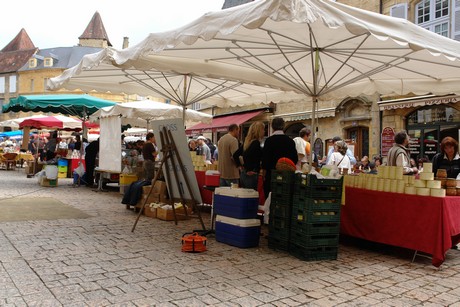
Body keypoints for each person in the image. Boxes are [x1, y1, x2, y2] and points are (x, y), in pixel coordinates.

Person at [261, 118, 298, 199]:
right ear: (283, 126)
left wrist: (263, 175)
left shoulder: (269, 141)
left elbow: (265, 161)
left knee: (271, 199)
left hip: (271, 176)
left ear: (272, 127)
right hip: (286, 176)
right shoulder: (290, 141)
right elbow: (295, 159)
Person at [239, 121, 265, 190]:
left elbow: (237, 154)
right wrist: (250, 169)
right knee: (251, 197)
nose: (264, 131)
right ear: (259, 131)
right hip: (251, 175)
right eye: (263, 129)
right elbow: (252, 158)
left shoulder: (247, 142)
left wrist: (243, 167)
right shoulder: (256, 143)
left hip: (244, 174)